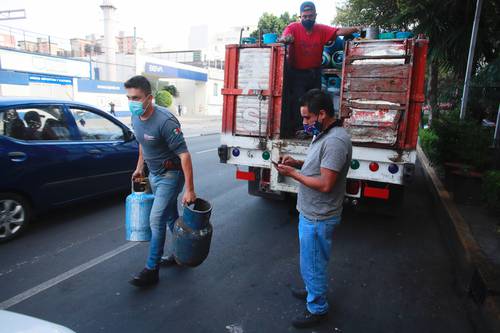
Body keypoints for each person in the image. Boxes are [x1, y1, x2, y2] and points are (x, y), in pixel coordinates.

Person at [275, 89, 352, 328]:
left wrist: (293, 174)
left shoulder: (336, 141)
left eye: (307, 118)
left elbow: (326, 184)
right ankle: (311, 290)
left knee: (314, 262)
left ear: (321, 114)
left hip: (319, 216)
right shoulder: (323, 133)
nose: (304, 122)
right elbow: (318, 166)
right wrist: (297, 162)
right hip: (311, 212)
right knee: (309, 261)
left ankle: (317, 307)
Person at [125, 75, 197, 287]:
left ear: (149, 98)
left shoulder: (165, 121)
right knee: (170, 218)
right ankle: (181, 253)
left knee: (155, 220)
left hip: (171, 176)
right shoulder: (135, 118)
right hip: (154, 174)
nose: (132, 102)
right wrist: (140, 168)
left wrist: (190, 190)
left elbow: (185, 155)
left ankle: (151, 269)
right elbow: (142, 143)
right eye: (129, 97)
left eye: (136, 98)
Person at [279, 1, 359, 137]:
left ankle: (313, 130)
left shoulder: (321, 29)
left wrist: (356, 28)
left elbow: (338, 31)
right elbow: (283, 37)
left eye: (310, 16)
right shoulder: (293, 27)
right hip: (297, 73)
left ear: (315, 15)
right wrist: (286, 39)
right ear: (300, 16)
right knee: (299, 102)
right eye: (304, 16)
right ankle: (300, 129)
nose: (307, 19)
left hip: (315, 73)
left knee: (315, 102)